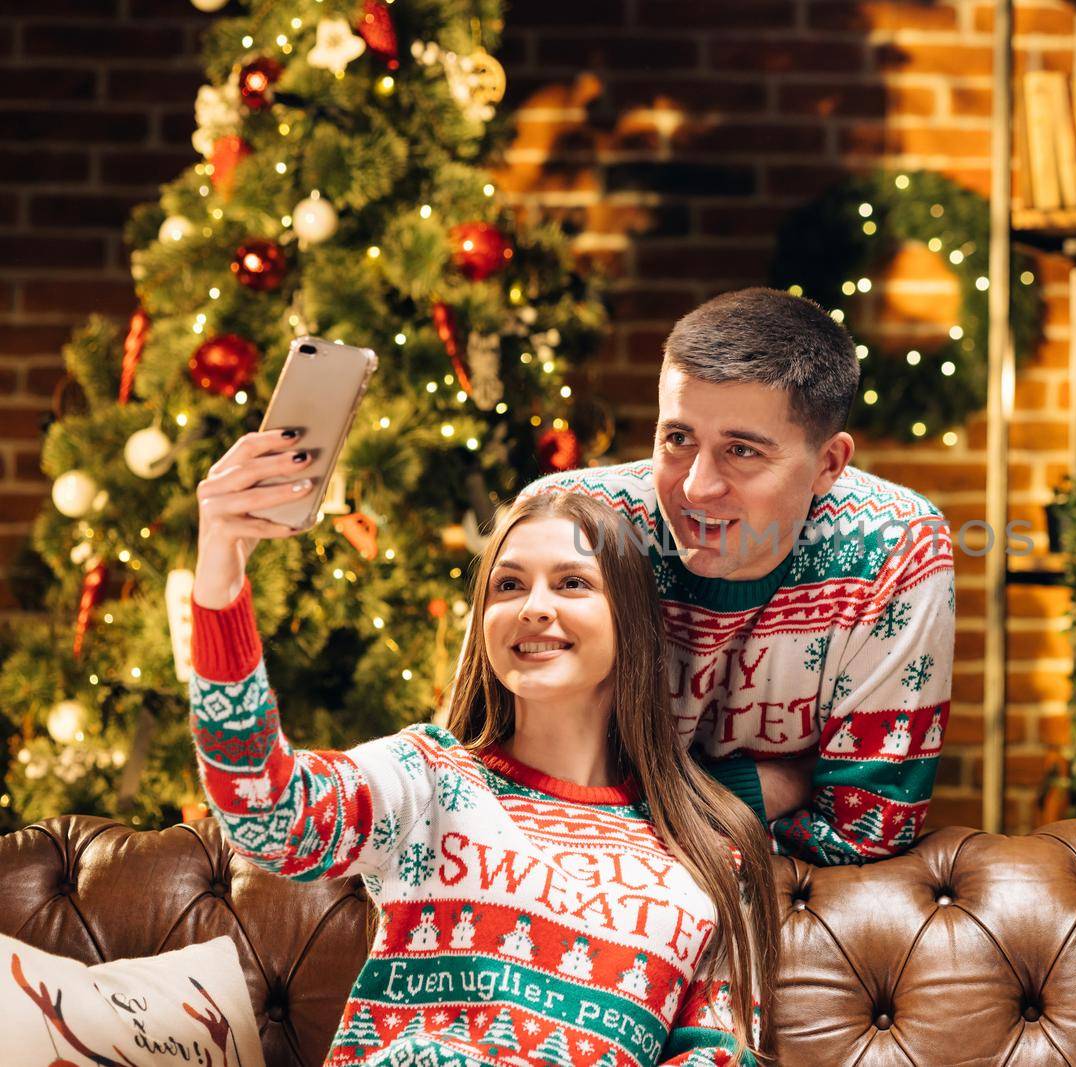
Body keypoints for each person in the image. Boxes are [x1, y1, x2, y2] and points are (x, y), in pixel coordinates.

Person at [188, 430, 778, 1066]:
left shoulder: (709, 856)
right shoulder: (427, 779)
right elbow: (270, 816)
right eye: (508, 586)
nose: (533, 608)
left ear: (629, 621)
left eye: (573, 583)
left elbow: (719, 1056)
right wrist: (221, 564)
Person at [523, 287, 957, 866]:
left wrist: (630, 803)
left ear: (829, 463)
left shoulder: (897, 546)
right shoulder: (569, 523)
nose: (698, 487)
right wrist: (784, 783)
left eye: (743, 451)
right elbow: (516, 789)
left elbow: (868, 827)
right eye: (677, 439)